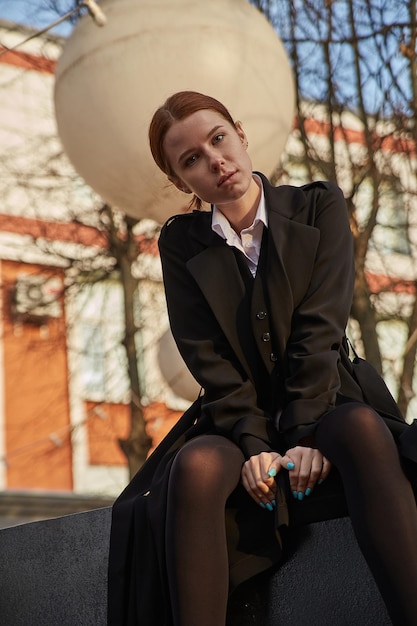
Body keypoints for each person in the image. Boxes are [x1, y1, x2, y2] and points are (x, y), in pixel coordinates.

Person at [107, 91, 417, 626]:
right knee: (198, 467)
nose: (215, 160)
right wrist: (253, 444)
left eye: (218, 138)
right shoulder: (181, 242)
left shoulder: (319, 205)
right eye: (192, 160)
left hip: (326, 394)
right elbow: (207, 357)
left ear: (241, 134)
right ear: (184, 183)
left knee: (364, 430)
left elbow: (320, 330)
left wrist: (303, 435)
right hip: (234, 415)